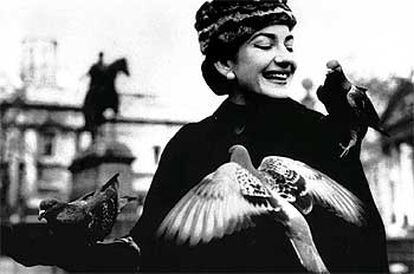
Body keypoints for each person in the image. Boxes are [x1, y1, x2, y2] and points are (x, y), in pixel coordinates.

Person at [1, 0, 389, 272]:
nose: (285, 57)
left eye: (289, 43)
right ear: (224, 63)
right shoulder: (190, 144)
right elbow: (148, 251)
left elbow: (367, 245)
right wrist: (60, 252)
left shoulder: (322, 134)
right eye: (265, 44)